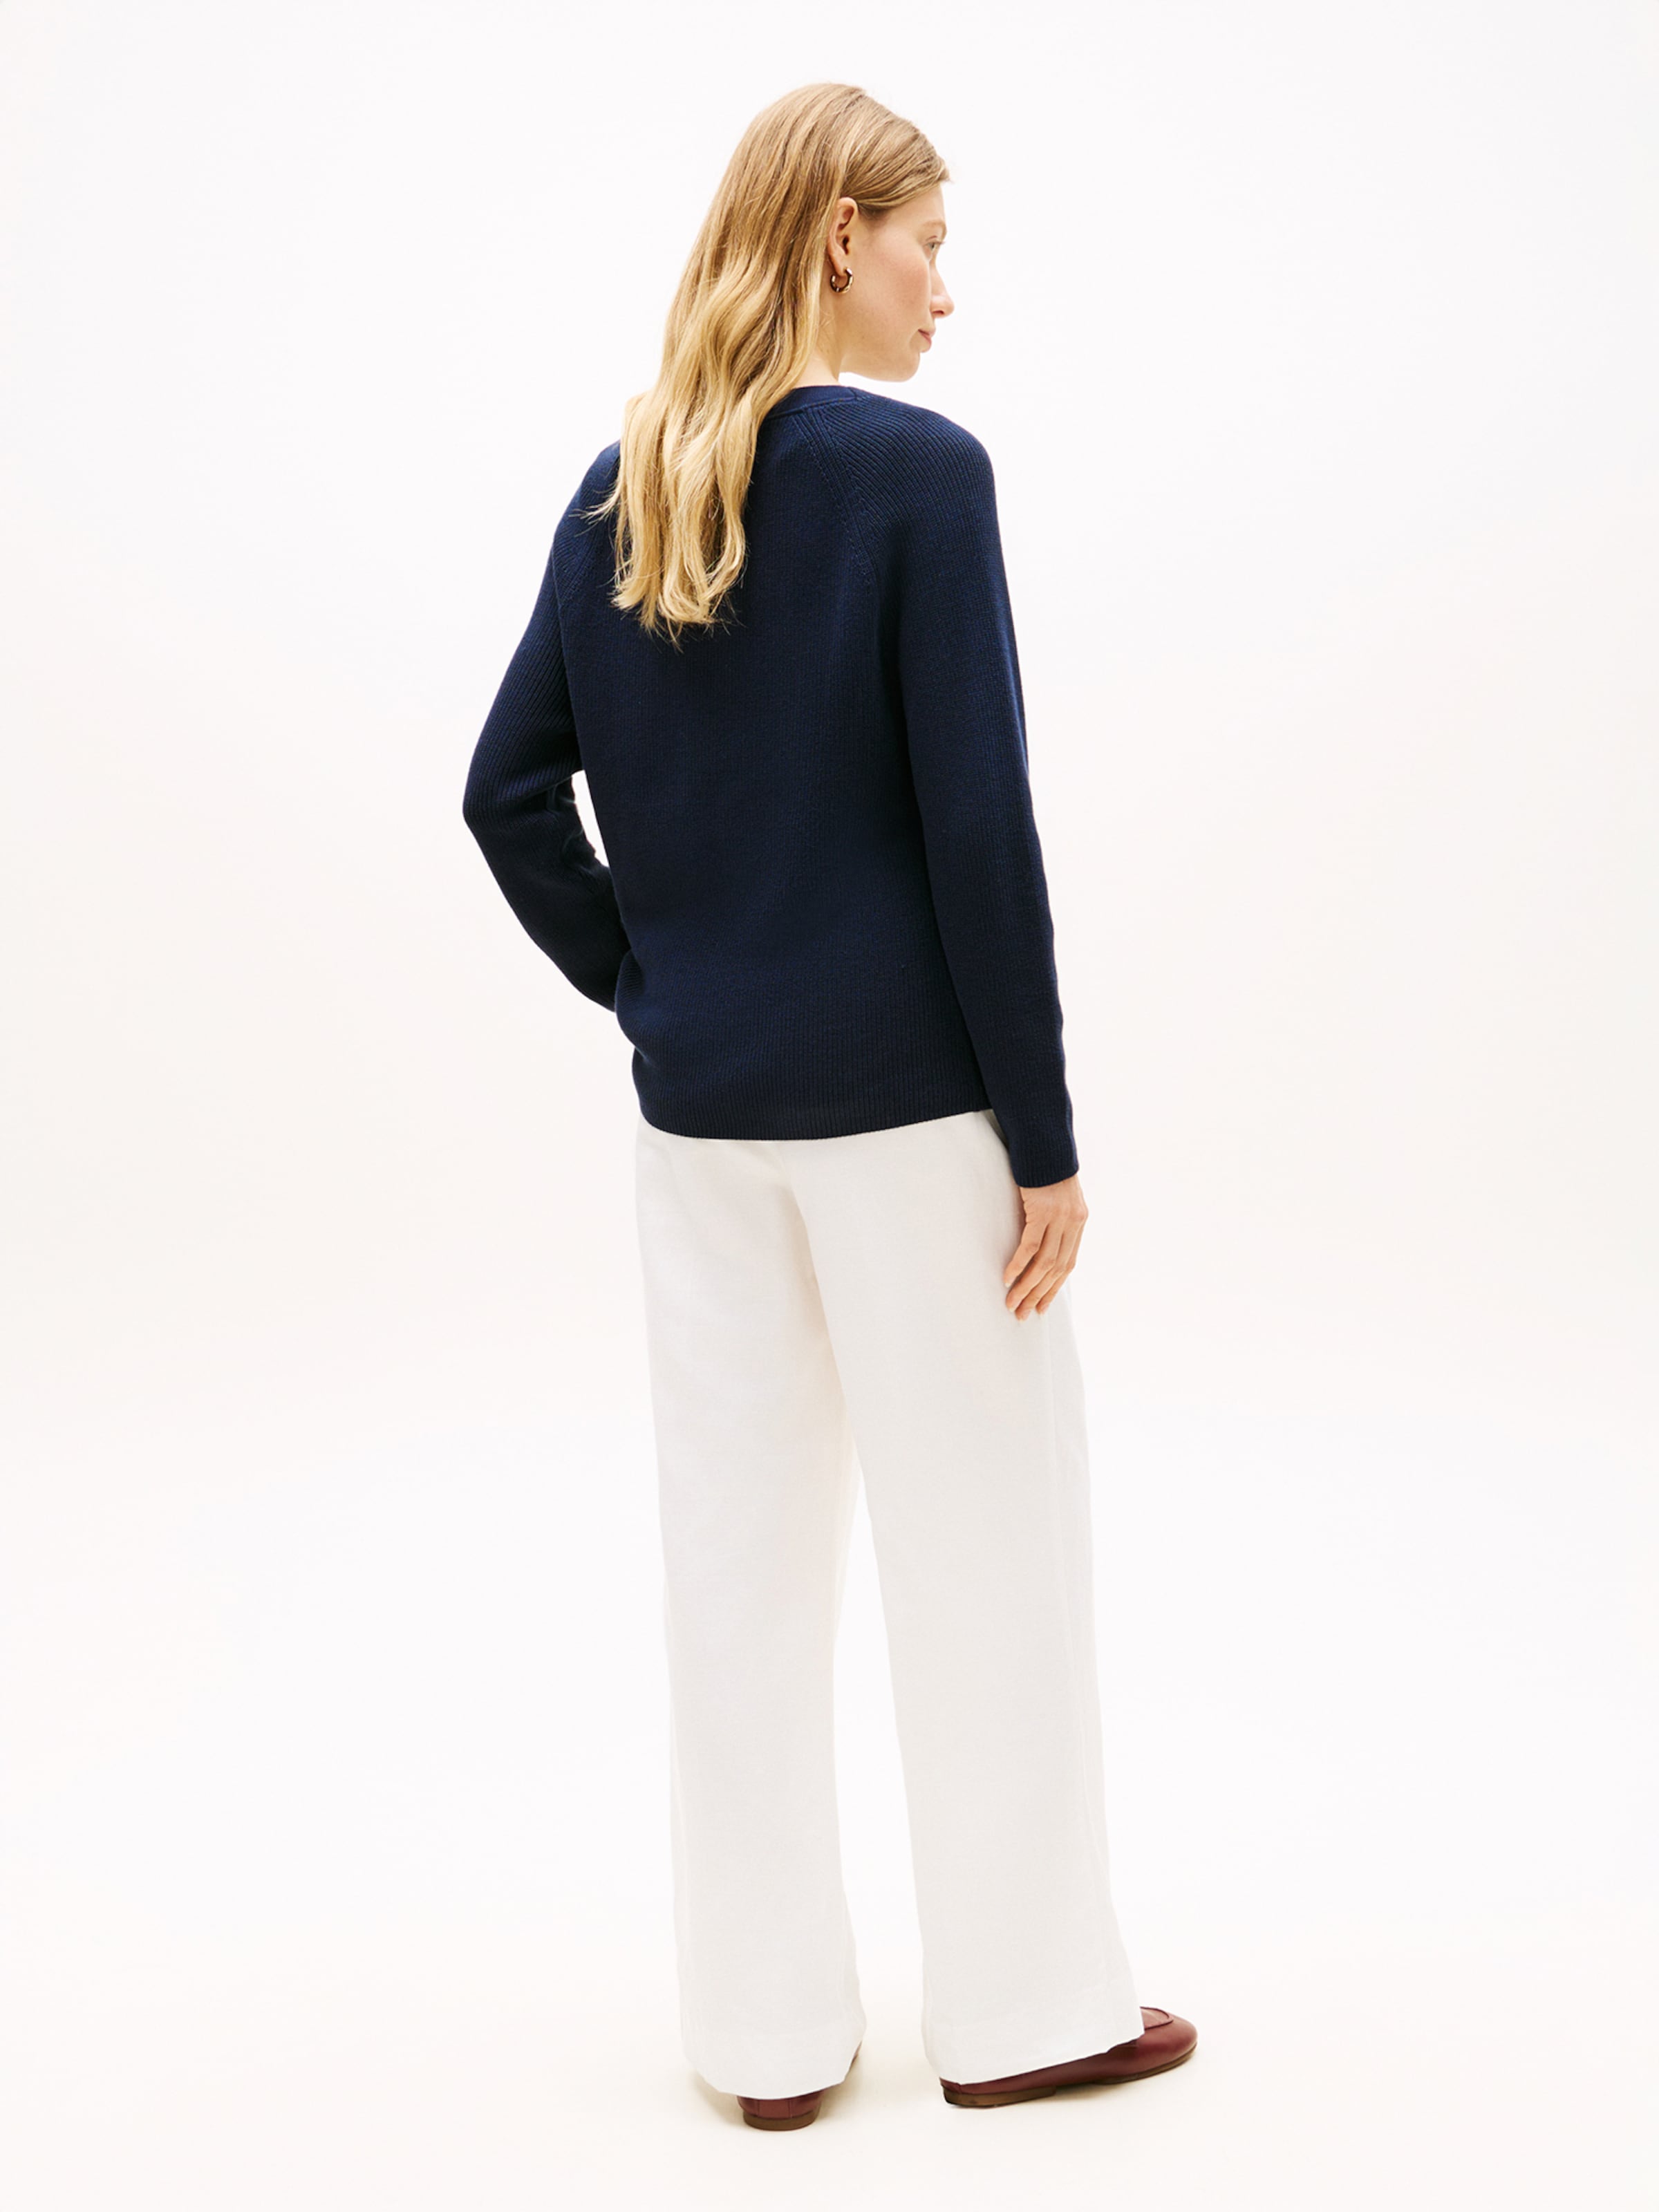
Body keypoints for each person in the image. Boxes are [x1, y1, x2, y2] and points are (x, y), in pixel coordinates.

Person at [460, 79, 1195, 2130]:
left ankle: (764, 2046)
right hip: (909, 1123)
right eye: (928, 245)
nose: (946, 291)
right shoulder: (917, 481)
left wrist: (657, 990)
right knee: (990, 1555)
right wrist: (1044, 1138)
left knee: (737, 1572)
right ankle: (1027, 2013)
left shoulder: (625, 487)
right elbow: (981, 830)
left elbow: (504, 795)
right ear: (833, 239)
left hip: (702, 1133)